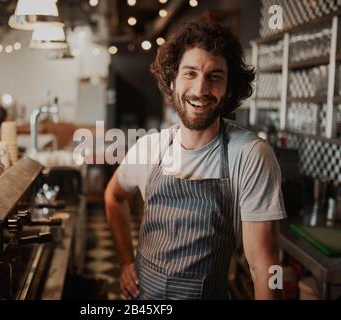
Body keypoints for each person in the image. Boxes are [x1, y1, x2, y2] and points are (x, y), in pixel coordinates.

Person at [104, 20, 286, 300]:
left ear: (229, 88)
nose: (201, 90)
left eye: (215, 76)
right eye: (190, 73)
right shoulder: (149, 148)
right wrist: (125, 260)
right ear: (172, 80)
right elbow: (113, 196)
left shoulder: (251, 155)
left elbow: (266, 266)